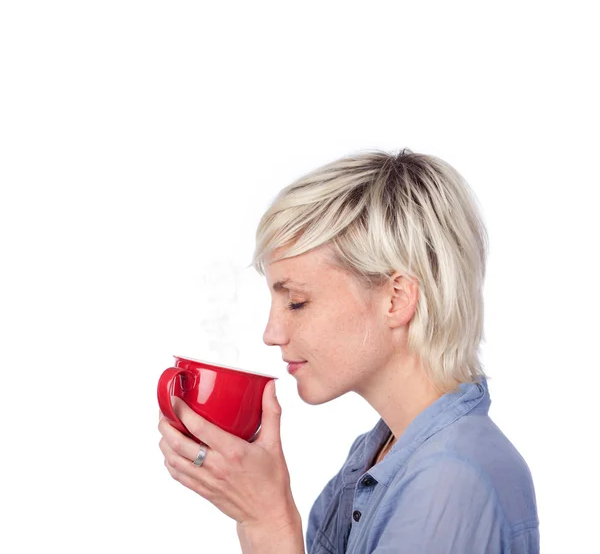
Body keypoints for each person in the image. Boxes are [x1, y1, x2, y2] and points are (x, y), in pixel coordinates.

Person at [158, 148, 540, 554]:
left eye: (296, 302)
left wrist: (269, 522)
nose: (271, 334)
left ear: (396, 299)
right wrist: (253, 512)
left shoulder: (450, 483)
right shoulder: (377, 454)